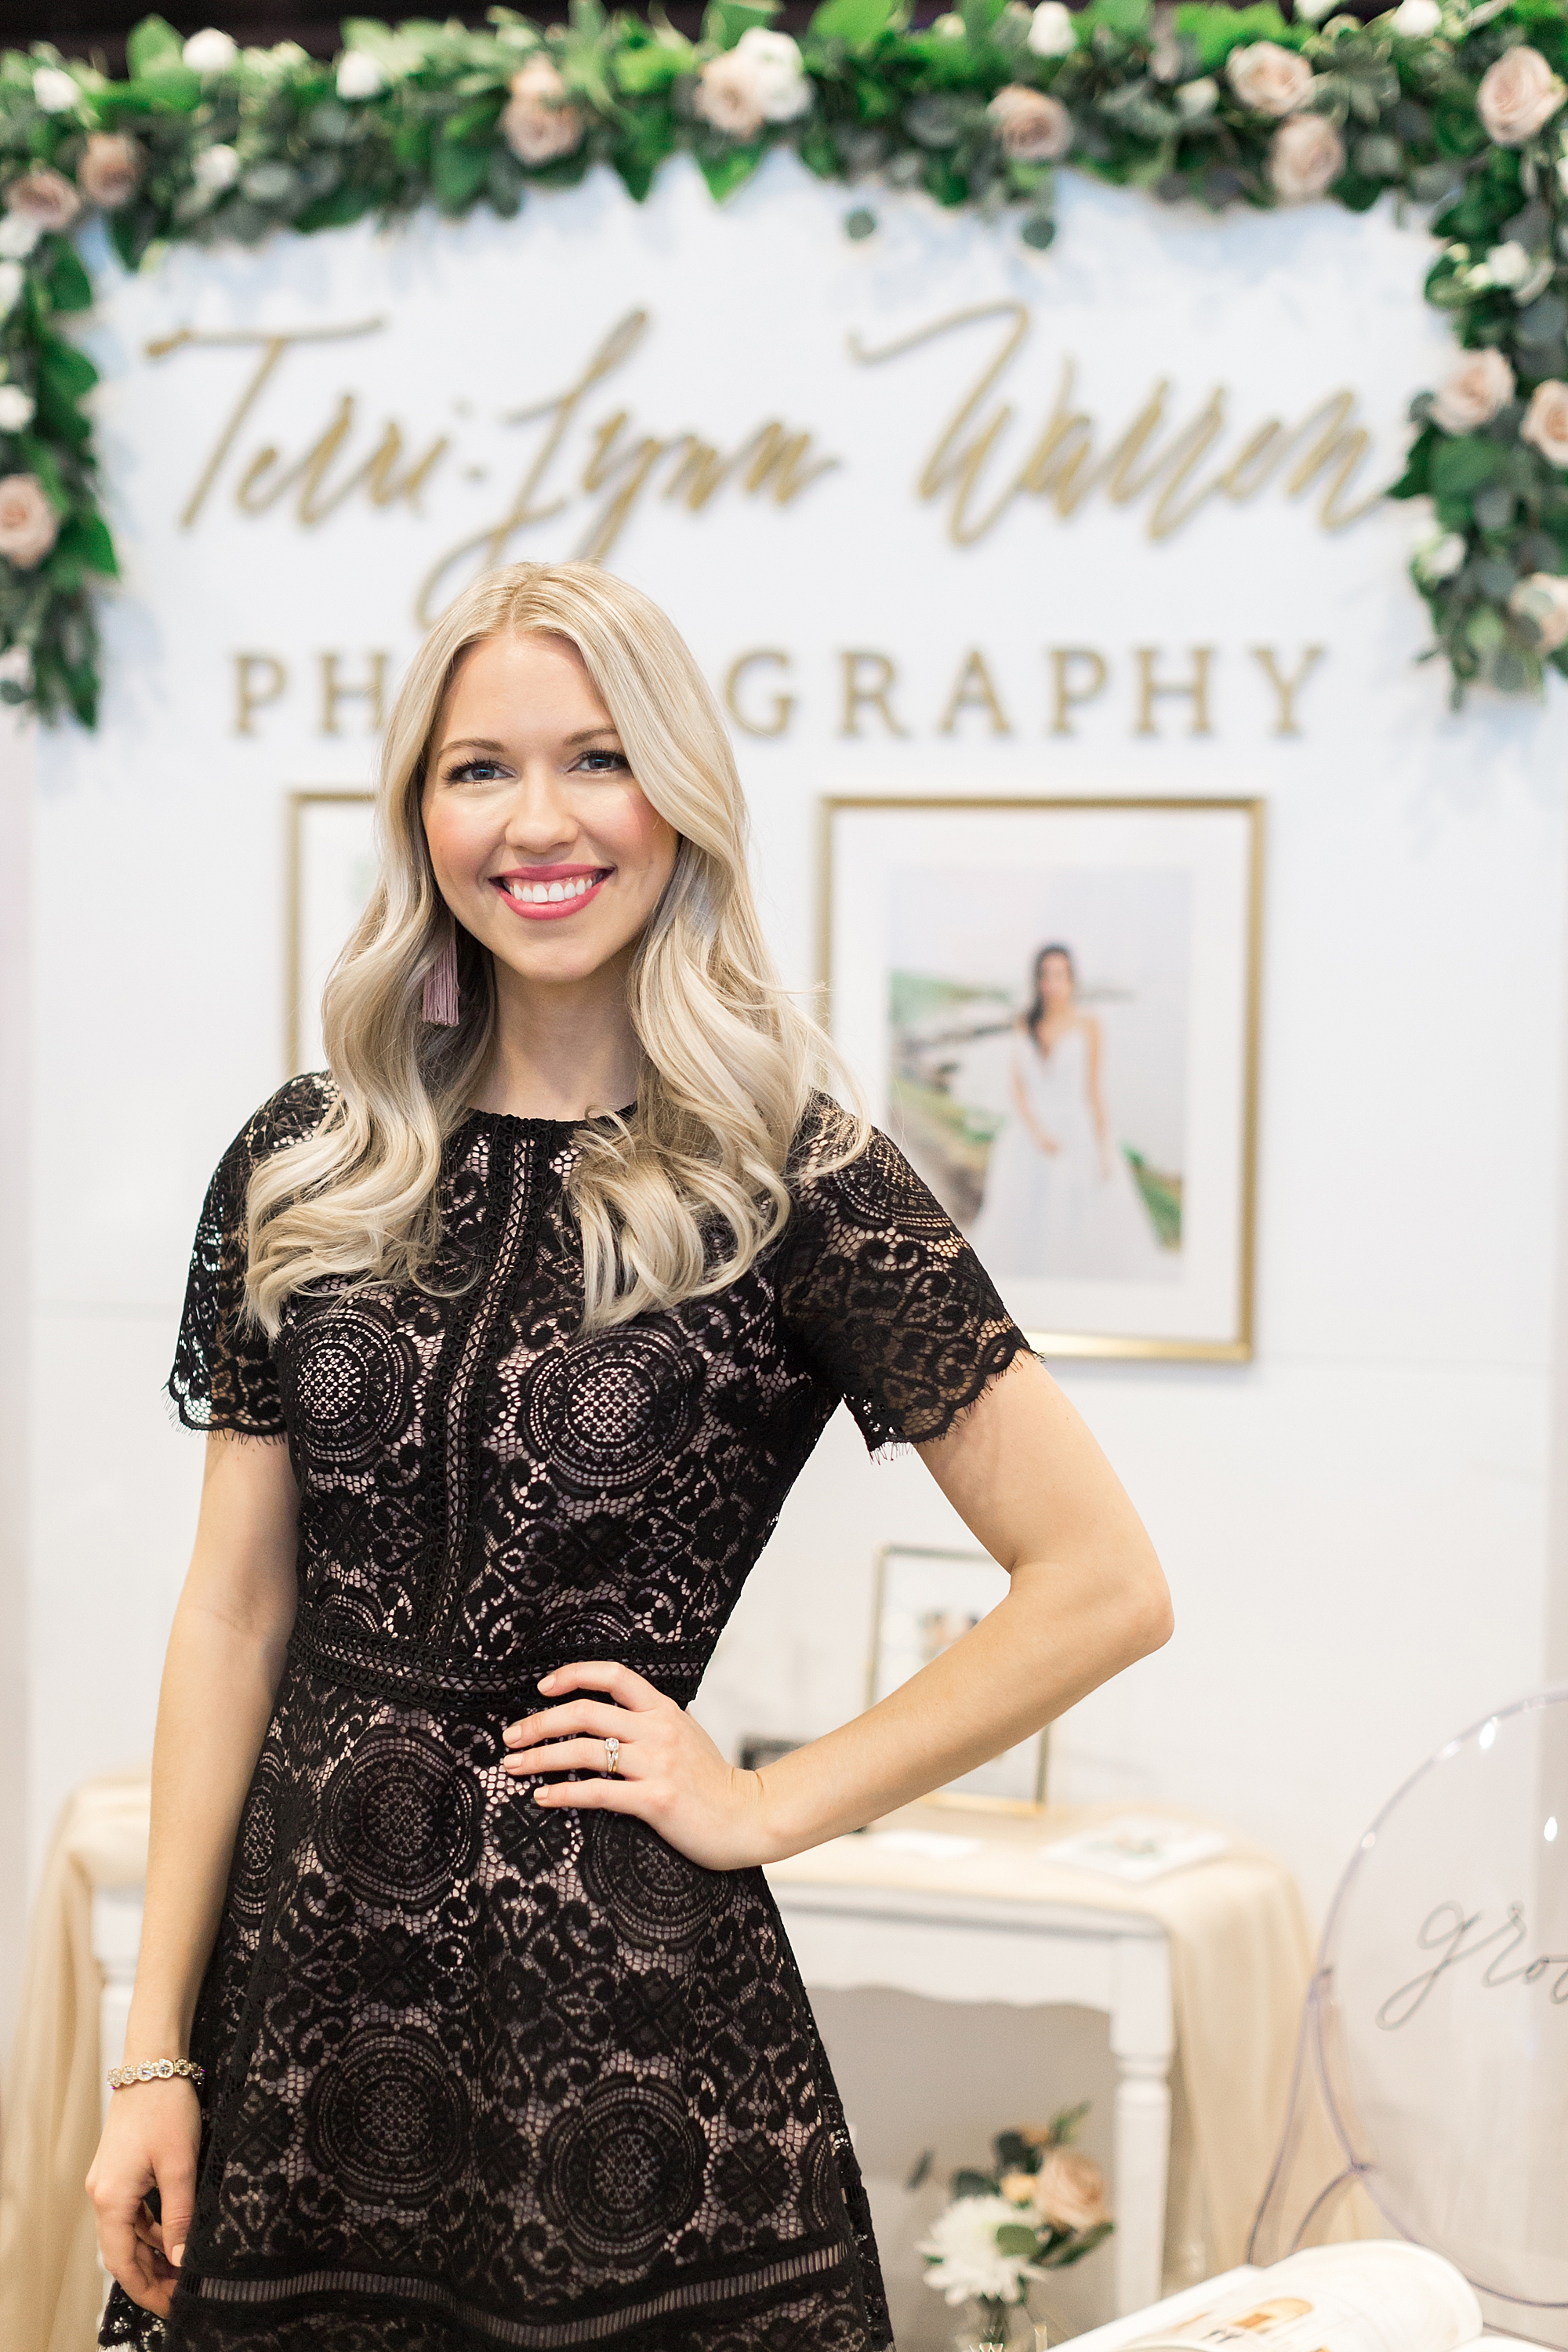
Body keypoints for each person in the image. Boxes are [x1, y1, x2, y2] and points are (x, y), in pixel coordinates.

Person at [88, 562, 1172, 2352]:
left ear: (676, 794)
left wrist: (769, 1797)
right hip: (300, 2017)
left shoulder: (792, 1181)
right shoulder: (304, 1159)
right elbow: (232, 1615)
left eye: (595, 758)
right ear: (417, 811)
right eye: (477, 768)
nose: (538, 820)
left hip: (618, 2048)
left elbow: (1102, 1582)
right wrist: (153, 2044)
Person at [969, 943, 1171, 1282]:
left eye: (1059, 975)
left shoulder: (1089, 1024)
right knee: (1018, 1224)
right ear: (1037, 981)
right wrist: (1036, 1132)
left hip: (1075, 1131)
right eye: (1045, 976)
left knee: (1078, 1222)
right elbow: (1017, 1088)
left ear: (1072, 980)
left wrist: (1104, 1145)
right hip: (1028, 1135)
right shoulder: (1025, 1023)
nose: (1052, 984)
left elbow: (1094, 1092)